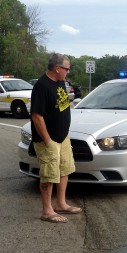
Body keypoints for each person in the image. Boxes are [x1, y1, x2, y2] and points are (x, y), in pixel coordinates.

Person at [31, 53, 82, 223]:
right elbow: (37, 116)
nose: (68, 71)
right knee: (49, 174)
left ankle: (60, 204)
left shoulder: (60, 82)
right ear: (57, 68)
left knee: (64, 169)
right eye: (66, 69)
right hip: (49, 140)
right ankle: (47, 211)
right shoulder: (41, 86)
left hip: (63, 137)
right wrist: (47, 141)